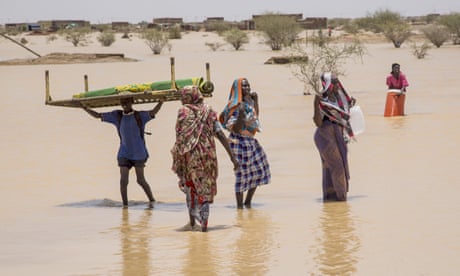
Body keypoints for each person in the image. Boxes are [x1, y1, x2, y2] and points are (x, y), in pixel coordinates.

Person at [171, 85, 238, 232]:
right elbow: (220, 134)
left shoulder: (183, 112)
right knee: (204, 188)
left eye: (184, 96)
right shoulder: (209, 111)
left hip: (190, 157)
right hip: (208, 156)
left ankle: (193, 223)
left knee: (191, 187)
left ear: (189, 97)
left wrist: (178, 156)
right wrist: (232, 158)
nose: (182, 99)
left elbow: (180, 137)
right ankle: (204, 225)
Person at [81, 97, 163, 209]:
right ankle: (125, 206)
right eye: (122, 102)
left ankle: (152, 201)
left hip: (138, 153)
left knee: (140, 180)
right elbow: (97, 115)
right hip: (124, 153)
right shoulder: (117, 116)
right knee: (123, 181)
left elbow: (153, 112)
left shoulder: (140, 116)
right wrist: (84, 107)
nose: (124, 104)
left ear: (132, 102)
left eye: (126, 102)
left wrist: (161, 101)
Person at [219, 78, 271, 209]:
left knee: (259, 170)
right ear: (238, 89)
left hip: (250, 141)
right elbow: (235, 128)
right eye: (244, 86)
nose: (247, 88)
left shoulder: (249, 102)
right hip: (239, 142)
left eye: (248, 85)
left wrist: (256, 102)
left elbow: (255, 117)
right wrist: (241, 113)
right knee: (242, 175)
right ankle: (239, 208)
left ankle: (248, 202)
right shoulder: (235, 105)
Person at [313, 72, 356, 201]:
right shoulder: (322, 100)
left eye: (338, 81)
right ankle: (342, 200)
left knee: (334, 166)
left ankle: (332, 201)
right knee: (337, 167)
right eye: (334, 82)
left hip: (338, 134)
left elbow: (344, 116)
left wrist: (351, 105)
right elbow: (318, 122)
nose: (337, 84)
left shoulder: (340, 99)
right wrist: (316, 104)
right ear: (328, 84)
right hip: (325, 135)